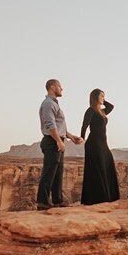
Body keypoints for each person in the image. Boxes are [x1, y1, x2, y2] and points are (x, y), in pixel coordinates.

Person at [37, 79, 83, 210]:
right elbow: (50, 125)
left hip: (57, 140)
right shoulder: (48, 104)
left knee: (58, 172)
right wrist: (58, 141)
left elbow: (59, 127)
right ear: (52, 87)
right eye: (60, 86)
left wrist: (71, 137)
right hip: (52, 142)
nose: (62, 89)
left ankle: (57, 200)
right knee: (49, 172)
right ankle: (42, 202)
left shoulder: (54, 104)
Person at [80, 88, 120, 205]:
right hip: (94, 144)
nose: (103, 98)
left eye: (104, 96)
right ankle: (97, 199)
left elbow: (111, 107)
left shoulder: (102, 112)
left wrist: (103, 99)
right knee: (97, 169)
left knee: (107, 165)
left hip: (103, 144)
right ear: (95, 97)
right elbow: (84, 125)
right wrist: (82, 137)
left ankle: (109, 197)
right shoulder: (91, 110)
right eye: (101, 96)